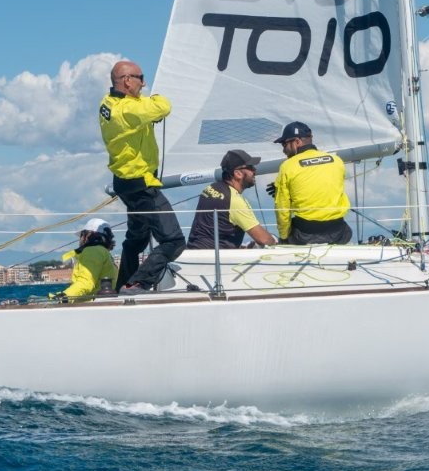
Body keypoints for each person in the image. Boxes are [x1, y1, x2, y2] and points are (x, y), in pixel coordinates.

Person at [98, 59, 185, 293]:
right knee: (174, 240)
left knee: (136, 240)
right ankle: (138, 283)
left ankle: (122, 286)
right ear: (127, 81)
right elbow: (163, 106)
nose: (144, 84)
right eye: (141, 78)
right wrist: (153, 99)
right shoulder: (129, 109)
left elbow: (143, 112)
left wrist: (144, 106)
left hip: (125, 183)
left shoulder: (109, 103)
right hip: (141, 185)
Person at [268, 121, 353, 245]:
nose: (283, 150)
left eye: (284, 144)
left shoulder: (287, 166)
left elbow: (282, 209)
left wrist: (284, 237)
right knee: (346, 229)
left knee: (290, 227)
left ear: (297, 142)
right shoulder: (336, 160)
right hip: (338, 232)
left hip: (304, 235)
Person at [187, 149, 277, 249]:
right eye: (250, 168)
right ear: (238, 174)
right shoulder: (235, 200)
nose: (255, 171)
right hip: (215, 256)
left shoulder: (210, 188)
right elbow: (263, 239)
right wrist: (275, 240)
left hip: (193, 250)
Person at [52, 218, 118, 302]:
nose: (80, 239)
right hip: (100, 303)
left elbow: (86, 282)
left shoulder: (92, 251)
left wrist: (65, 296)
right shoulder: (105, 253)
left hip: (89, 305)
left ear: (88, 235)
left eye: (81, 235)